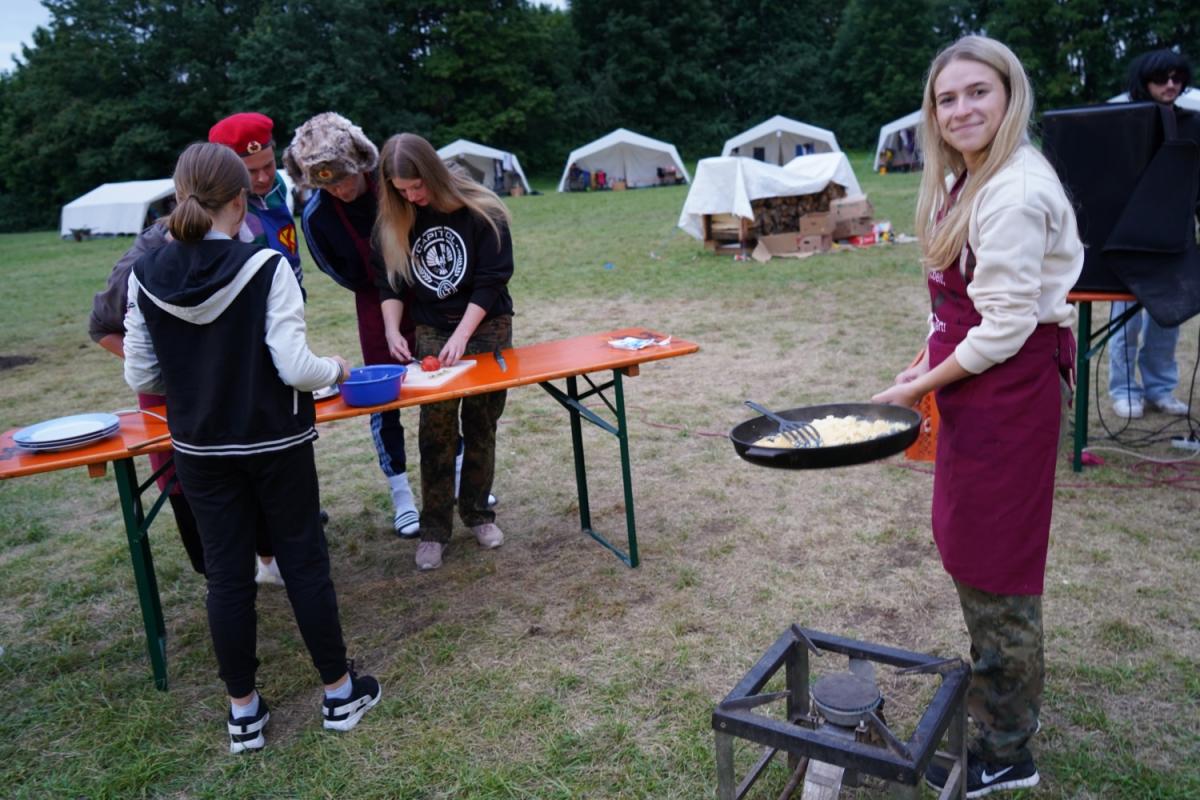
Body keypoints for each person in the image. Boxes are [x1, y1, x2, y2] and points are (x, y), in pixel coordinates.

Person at [872, 36, 1083, 796]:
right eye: (946, 98)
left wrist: (917, 389)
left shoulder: (1015, 191)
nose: (960, 109)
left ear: (1010, 95)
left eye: (977, 92)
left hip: (1011, 393)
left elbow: (1004, 329)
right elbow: (959, 308)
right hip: (981, 388)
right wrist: (921, 363)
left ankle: (1006, 751)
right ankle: (994, 693)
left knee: (999, 565)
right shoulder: (970, 176)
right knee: (970, 544)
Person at [123, 142, 381, 753]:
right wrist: (337, 368)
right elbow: (295, 368)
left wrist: (196, 382)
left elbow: (141, 374)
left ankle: (243, 712)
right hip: (275, 442)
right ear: (241, 201)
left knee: (228, 577)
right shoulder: (267, 265)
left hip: (200, 448)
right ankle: (339, 693)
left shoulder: (145, 274)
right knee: (303, 562)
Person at [284, 113, 494, 539]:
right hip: (375, 302)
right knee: (383, 400)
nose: (341, 190)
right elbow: (339, 270)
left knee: (445, 389)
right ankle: (401, 495)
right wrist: (387, 304)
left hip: (431, 292)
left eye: (345, 180)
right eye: (329, 186)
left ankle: (459, 480)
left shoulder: (395, 185)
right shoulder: (318, 217)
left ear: (361, 165)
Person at [375, 133, 514, 571]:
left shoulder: (482, 210)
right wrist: (392, 328)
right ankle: (434, 530)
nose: (412, 197)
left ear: (433, 174)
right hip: (433, 330)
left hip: (487, 327)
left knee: (481, 423)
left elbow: (492, 279)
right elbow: (390, 282)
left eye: (417, 187)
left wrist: (463, 334)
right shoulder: (396, 217)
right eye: (402, 190)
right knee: (435, 431)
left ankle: (478, 514)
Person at [1107, 49, 1196, 419]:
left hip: (1175, 238)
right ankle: (1124, 390)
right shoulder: (1122, 123)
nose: (1171, 85)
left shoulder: (1192, 123)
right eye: (1161, 78)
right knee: (1124, 323)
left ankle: (1160, 389)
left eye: (1177, 77)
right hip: (1128, 238)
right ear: (1144, 81)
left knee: (1167, 320)